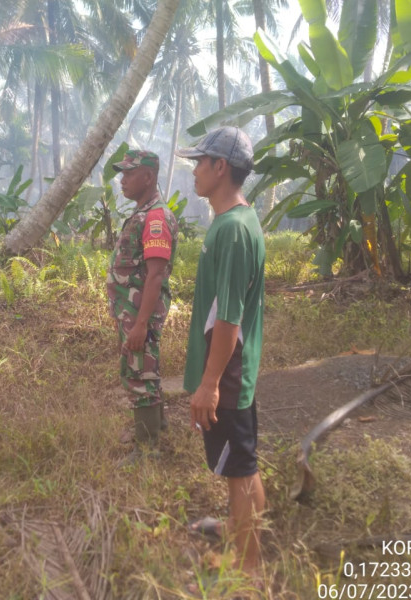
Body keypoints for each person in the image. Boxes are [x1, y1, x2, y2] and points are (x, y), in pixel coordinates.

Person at [176, 127, 266, 580]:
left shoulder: (231, 230)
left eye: (200, 162)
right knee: (244, 462)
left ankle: (247, 571)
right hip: (236, 371)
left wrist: (209, 385)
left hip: (227, 375)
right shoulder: (240, 219)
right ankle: (236, 527)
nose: (194, 170)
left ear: (220, 168)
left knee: (239, 472)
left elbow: (228, 321)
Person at [107, 149, 178, 450]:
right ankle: (155, 424)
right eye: (122, 173)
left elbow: (156, 276)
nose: (122, 180)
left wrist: (141, 324)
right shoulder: (142, 213)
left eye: (129, 173)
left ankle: (148, 448)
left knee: (140, 373)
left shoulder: (155, 217)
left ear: (148, 177)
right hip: (132, 312)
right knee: (144, 367)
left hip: (140, 314)